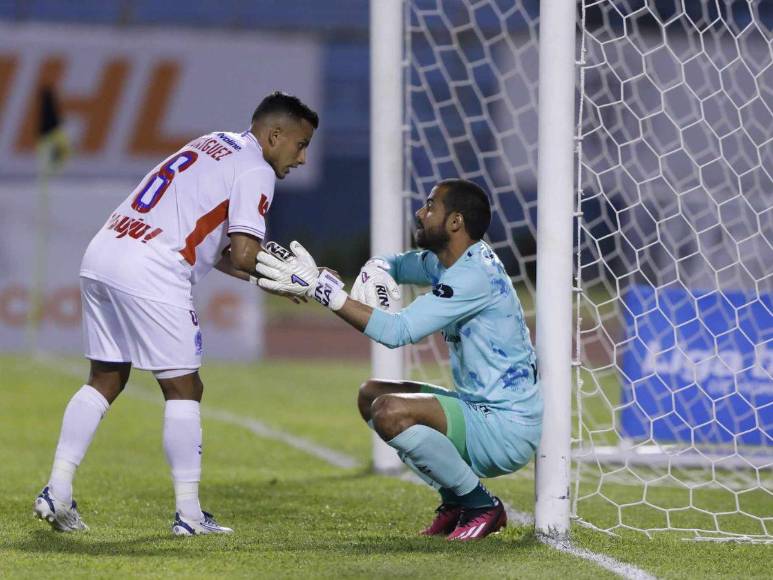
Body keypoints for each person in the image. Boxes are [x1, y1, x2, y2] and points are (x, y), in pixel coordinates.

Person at [33, 91, 319, 535]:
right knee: (185, 387)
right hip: (152, 267)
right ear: (274, 135)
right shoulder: (257, 169)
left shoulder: (214, 142)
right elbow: (244, 254)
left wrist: (279, 278)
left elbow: (222, 249)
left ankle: (57, 489)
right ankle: (188, 515)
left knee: (106, 377)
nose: (301, 158)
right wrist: (293, 281)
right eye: (300, 145)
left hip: (105, 252)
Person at [256, 178, 543, 541]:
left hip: (505, 427)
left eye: (430, 206)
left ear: (455, 222)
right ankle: (455, 500)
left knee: (391, 411)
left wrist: (323, 291)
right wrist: (375, 269)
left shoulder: (473, 276)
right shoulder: (450, 260)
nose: (420, 213)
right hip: (481, 409)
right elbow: (395, 263)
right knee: (369, 395)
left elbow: (397, 332)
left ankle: (480, 505)